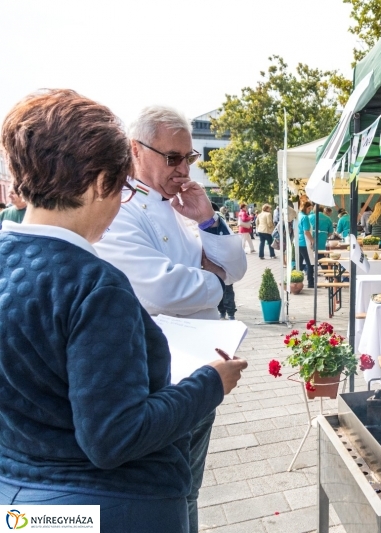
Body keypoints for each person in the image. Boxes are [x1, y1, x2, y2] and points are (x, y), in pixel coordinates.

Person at [0, 89, 247, 532]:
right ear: (101, 183)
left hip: (22, 500)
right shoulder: (96, 285)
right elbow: (115, 436)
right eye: (121, 189)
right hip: (113, 504)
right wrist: (211, 382)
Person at [94, 105, 247, 533]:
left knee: (189, 487)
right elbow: (159, 288)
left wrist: (208, 219)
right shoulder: (120, 206)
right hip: (159, 376)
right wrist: (214, 281)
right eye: (172, 157)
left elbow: (236, 267)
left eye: (189, 157)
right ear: (135, 150)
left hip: (203, 366)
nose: (183, 169)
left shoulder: (181, 202)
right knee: (170, 491)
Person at [300, 204, 334, 288]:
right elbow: (330, 233)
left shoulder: (309, 217)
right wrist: (325, 236)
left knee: (308, 261)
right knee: (322, 260)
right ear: (323, 210)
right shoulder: (328, 218)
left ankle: (301, 278)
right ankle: (328, 278)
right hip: (322, 242)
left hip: (310, 242)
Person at [296, 201, 313, 284]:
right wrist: (312, 240)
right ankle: (310, 282)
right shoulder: (305, 217)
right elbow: (306, 231)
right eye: (309, 208)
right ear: (305, 208)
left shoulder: (298, 215)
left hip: (298, 241)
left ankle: (297, 280)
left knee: (299, 263)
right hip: (304, 242)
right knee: (310, 263)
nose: (310, 210)